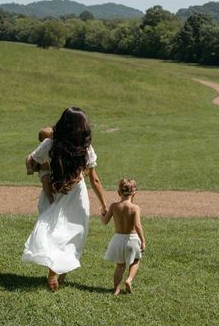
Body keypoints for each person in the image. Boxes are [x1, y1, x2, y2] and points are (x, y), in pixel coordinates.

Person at [22, 107, 107, 291]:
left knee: (55, 230)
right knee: (75, 234)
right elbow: (95, 179)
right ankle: (56, 271)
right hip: (77, 196)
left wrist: (35, 167)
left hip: (54, 191)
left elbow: (34, 160)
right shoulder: (85, 148)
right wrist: (103, 204)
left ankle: (60, 272)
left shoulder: (51, 144)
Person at [101, 178, 146, 295]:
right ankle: (129, 279)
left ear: (119, 192)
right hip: (132, 239)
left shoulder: (114, 206)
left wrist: (102, 213)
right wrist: (143, 241)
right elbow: (137, 225)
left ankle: (116, 289)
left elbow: (105, 222)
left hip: (118, 239)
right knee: (135, 260)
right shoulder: (135, 208)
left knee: (120, 265)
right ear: (134, 193)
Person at [26, 127, 54, 207]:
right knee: (45, 180)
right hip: (44, 171)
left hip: (51, 170)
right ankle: (49, 197)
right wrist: (29, 168)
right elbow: (29, 157)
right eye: (49, 136)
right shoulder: (43, 147)